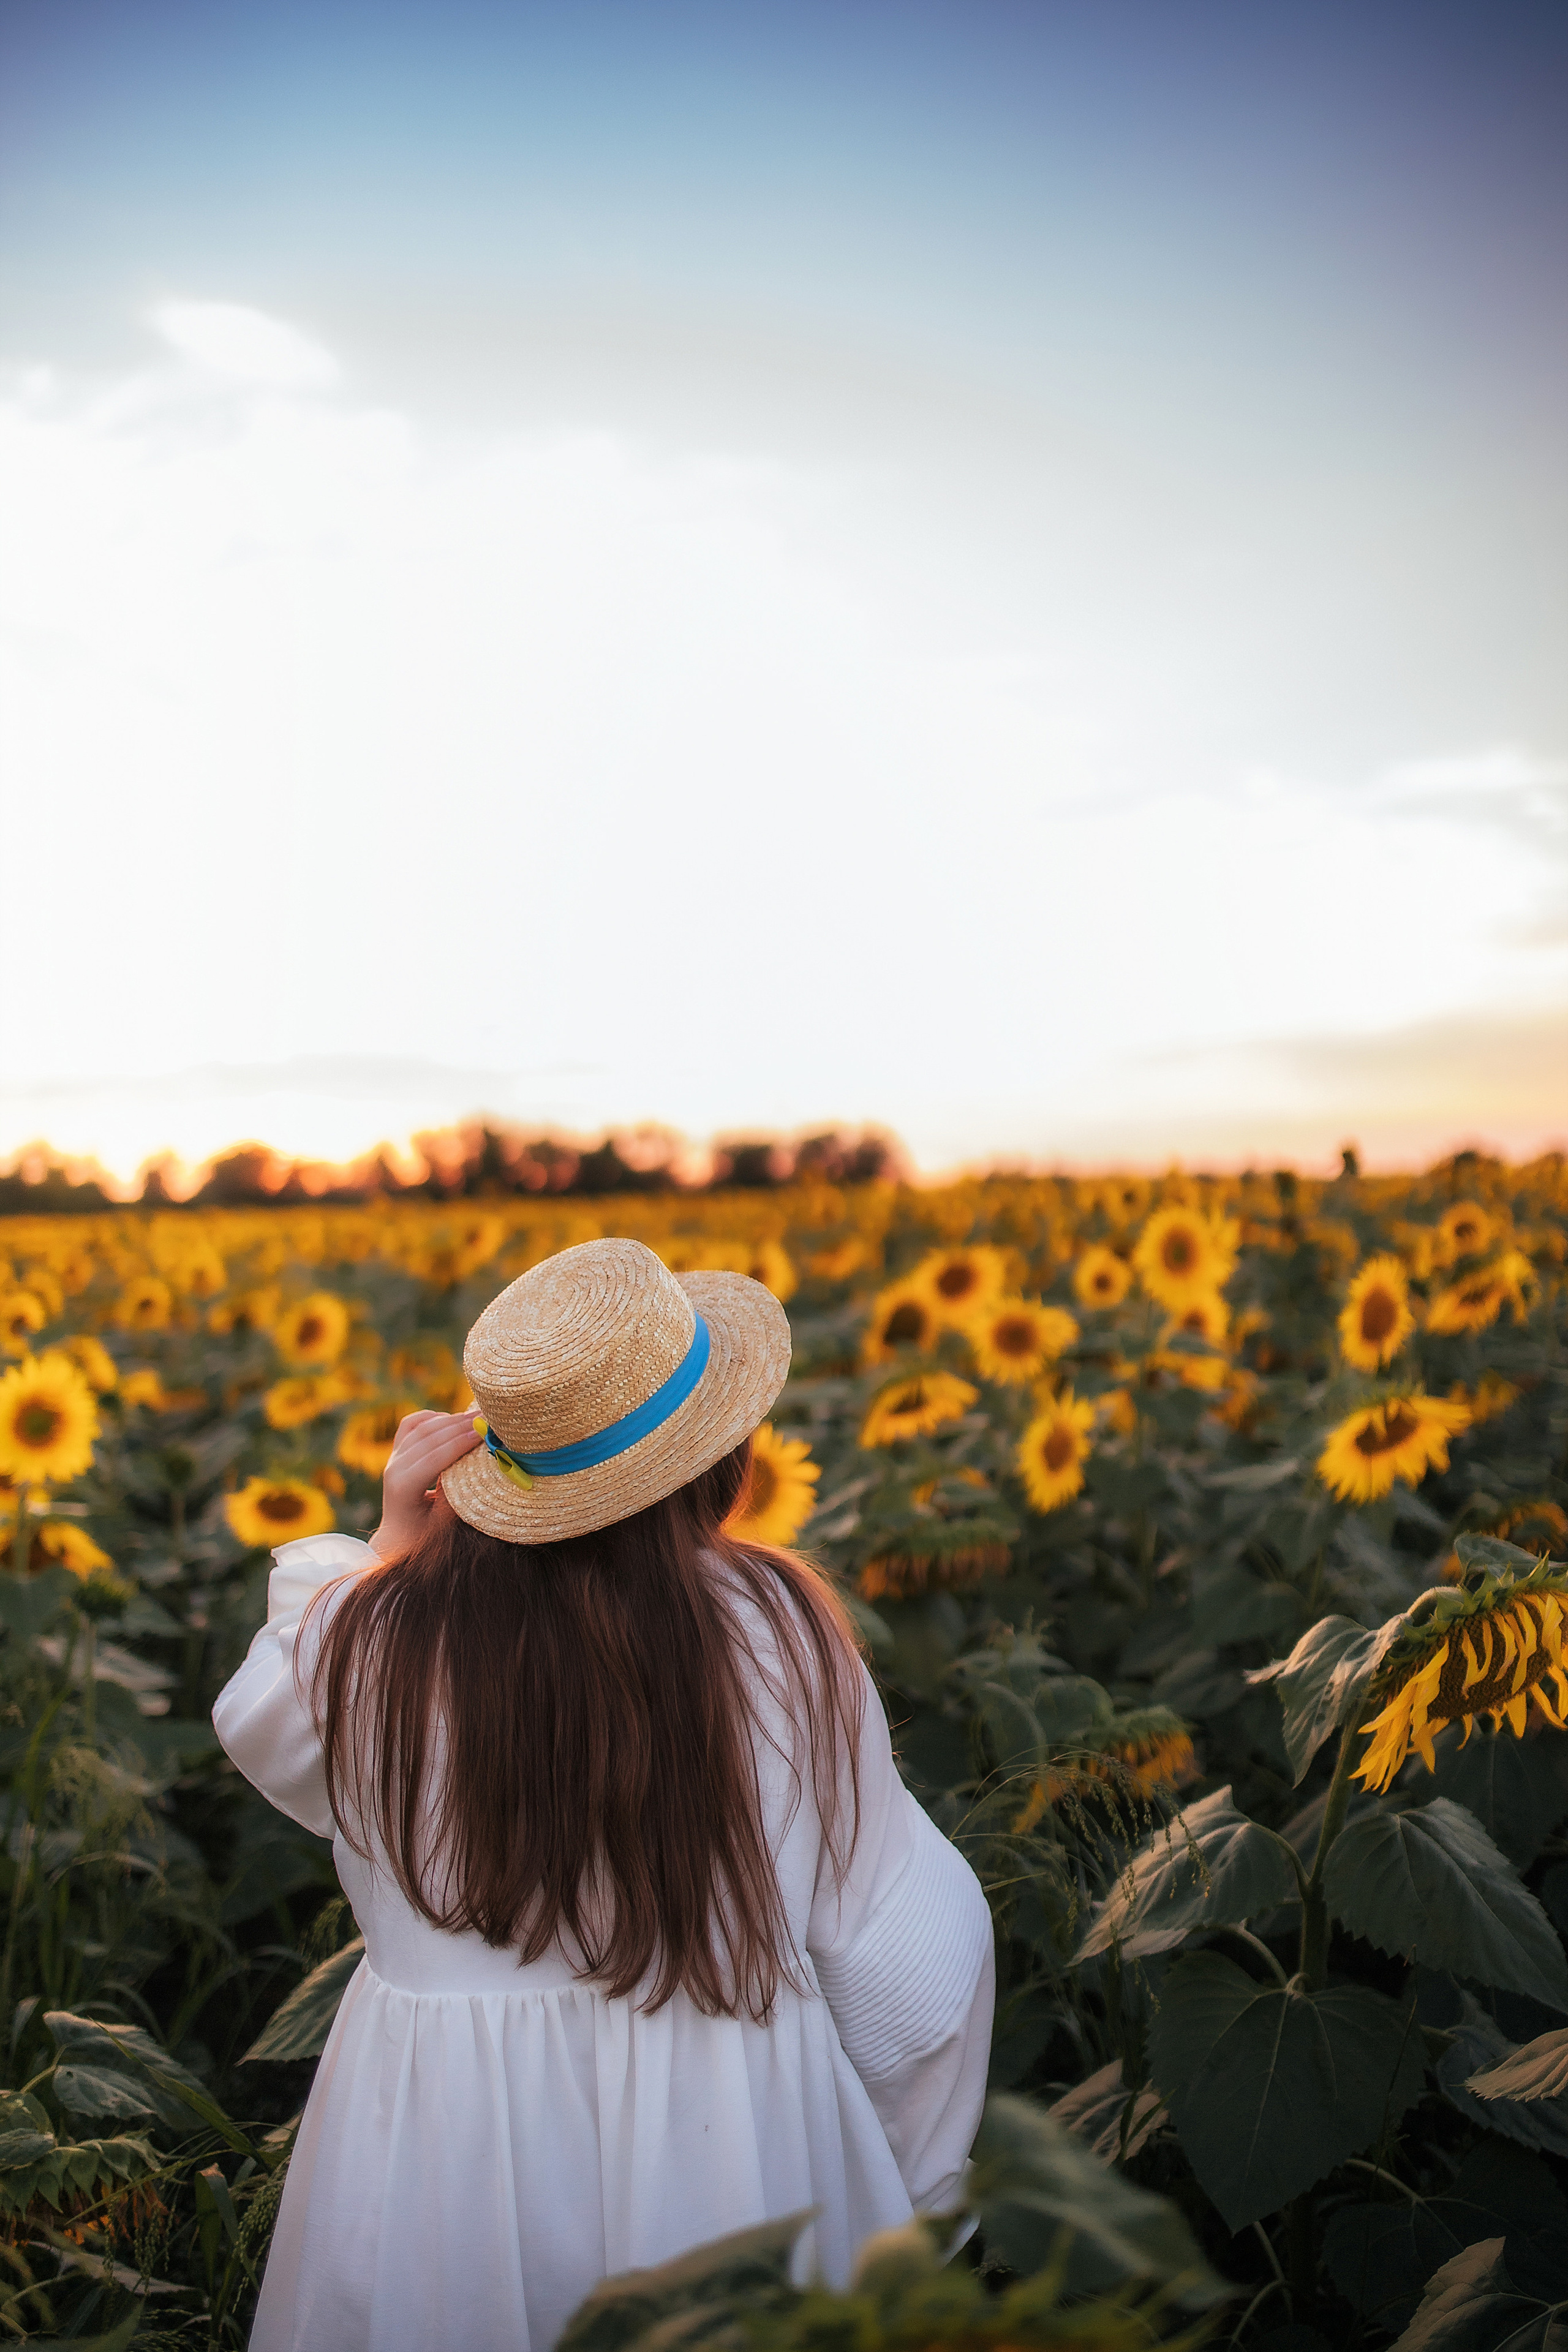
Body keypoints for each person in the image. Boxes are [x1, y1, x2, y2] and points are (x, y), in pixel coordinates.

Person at [213, 1237, 994, 2352]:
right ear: (718, 1457)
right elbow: (903, 1950)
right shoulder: (779, 1632)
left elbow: (262, 1719)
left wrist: (385, 1545)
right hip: (731, 2157)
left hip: (440, 2167)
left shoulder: (363, 1640)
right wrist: (909, 2186)